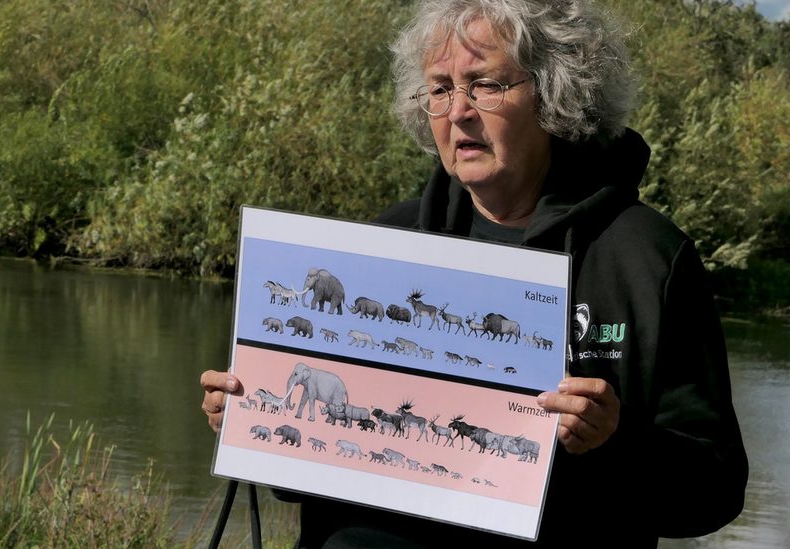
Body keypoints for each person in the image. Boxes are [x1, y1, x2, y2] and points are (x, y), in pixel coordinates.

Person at [200, 0, 748, 546]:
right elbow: (320, 466)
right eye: (439, 88)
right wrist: (254, 419)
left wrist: (613, 441)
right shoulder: (382, 244)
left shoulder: (645, 259)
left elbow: (714, 491)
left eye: (484, 84)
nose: (457, 110)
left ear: (556, 90)